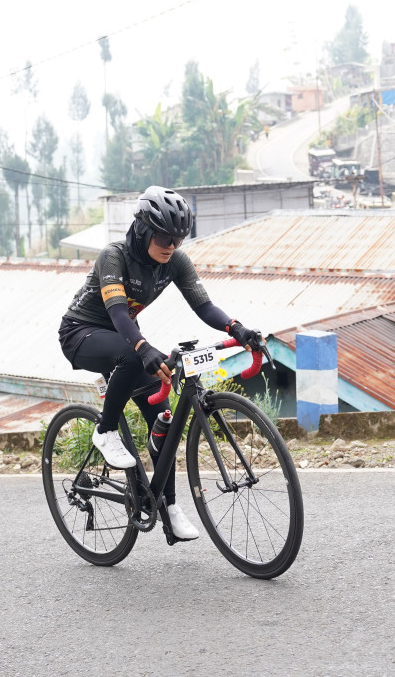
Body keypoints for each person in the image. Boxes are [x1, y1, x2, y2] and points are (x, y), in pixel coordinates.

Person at [57, 186, 264, 542]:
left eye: (179, 239)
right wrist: (142, 347)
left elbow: (204, 306)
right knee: (131, 354)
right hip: (81, 333)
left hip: (125, 338)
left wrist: (237, 328)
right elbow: (118, 314)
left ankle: (168, 506)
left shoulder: (175, 262)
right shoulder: (114, 257)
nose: (171, 246)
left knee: (163, 419)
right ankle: (105, 430)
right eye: (164, 237)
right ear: (142, 229)